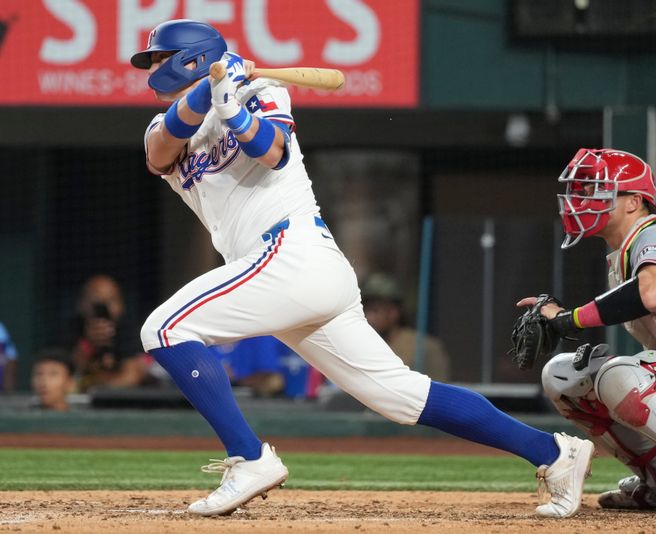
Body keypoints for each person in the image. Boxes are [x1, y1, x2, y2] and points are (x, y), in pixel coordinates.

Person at [131, 18, 592, 518]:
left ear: (190, 58)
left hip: (291, 252)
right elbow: (162, 146)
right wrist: (211, 93)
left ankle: (249, 458)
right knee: (398, 396)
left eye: (156, 59)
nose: (149, 69)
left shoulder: (262, 91)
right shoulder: (163, 125)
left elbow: (272, 154)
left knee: (165, 328)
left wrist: (234, 108)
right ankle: (556, 452)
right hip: (282, 272)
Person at [516, 148, 656, 510]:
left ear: (634, 202)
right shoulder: (624, 251)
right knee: (566, 376)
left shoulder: (651, 232)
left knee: (617, 374)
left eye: (597, 190)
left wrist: (570, 318)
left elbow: (650, 293)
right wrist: (563, 316)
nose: (582, 200)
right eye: (581, 190)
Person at [65, 275, 152, 391]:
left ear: (121, 305)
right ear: (81, 304)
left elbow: (131, 377)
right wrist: (89, 343)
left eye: (111, 300)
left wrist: (94, 386)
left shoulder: (129, 330)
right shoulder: (71, 329)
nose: (104, 306)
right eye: (97, 300)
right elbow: (66, 376)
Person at [362, 272, 450, 381]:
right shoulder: (361, 345)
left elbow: (438, 391)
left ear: (394, 312)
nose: (370, 317)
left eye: (376, 310)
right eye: (366, 310)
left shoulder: (424, 347)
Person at [208, 336, 286, 397]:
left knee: (274, 382)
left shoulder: (259, 338)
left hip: (248, 394)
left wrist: (236, 379)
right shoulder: (204, 337)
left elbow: (270, 375)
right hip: (208, 391)